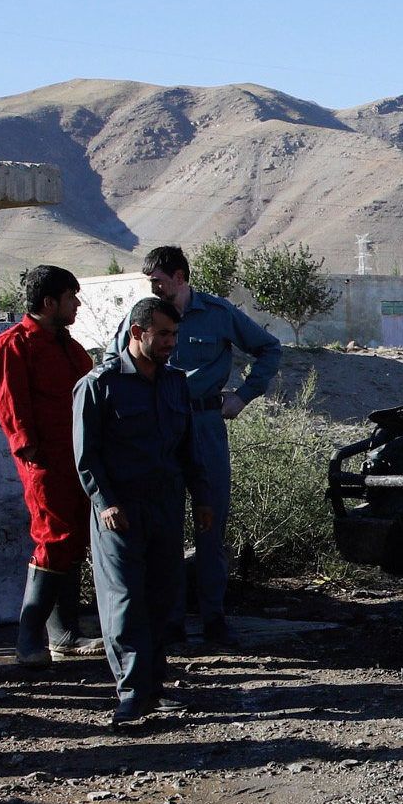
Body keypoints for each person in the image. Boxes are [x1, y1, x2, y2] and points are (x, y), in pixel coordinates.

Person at [75, 296, 213, 725]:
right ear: (137, 333)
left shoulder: (174, 383)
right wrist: (105, 502)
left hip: (165, 506)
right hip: (121, 510)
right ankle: (132, 693)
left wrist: (202, 498)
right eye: (164, 334)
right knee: (125, 600)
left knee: (160, 596)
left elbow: (190, 448)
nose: (172, 342)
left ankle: (154, 686)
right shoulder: (100, 384)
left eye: (175, 334)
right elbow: (86, 455)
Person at [140, 245, 280, 648]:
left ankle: (214, 617)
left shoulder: (219, 314)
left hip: (204, 426)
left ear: (180, 278)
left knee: (210, 524)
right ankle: (169, 620)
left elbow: (269, 348)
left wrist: (244, 395)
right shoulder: (146, 317)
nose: (154, 289)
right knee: (163, 526)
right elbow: (120, 359)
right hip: (160, 429)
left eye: (159, 282)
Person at [0, 265, 103, 665]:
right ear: (50, 302)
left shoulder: (69, 347)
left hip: (79, 460)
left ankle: (64, 635)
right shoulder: (11, 346)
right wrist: (30, 450)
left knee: (73, 541)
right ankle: (28, 636)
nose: (78, 304)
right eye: (72, 296)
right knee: (53, 538)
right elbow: (10, 407)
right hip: (46, 462)